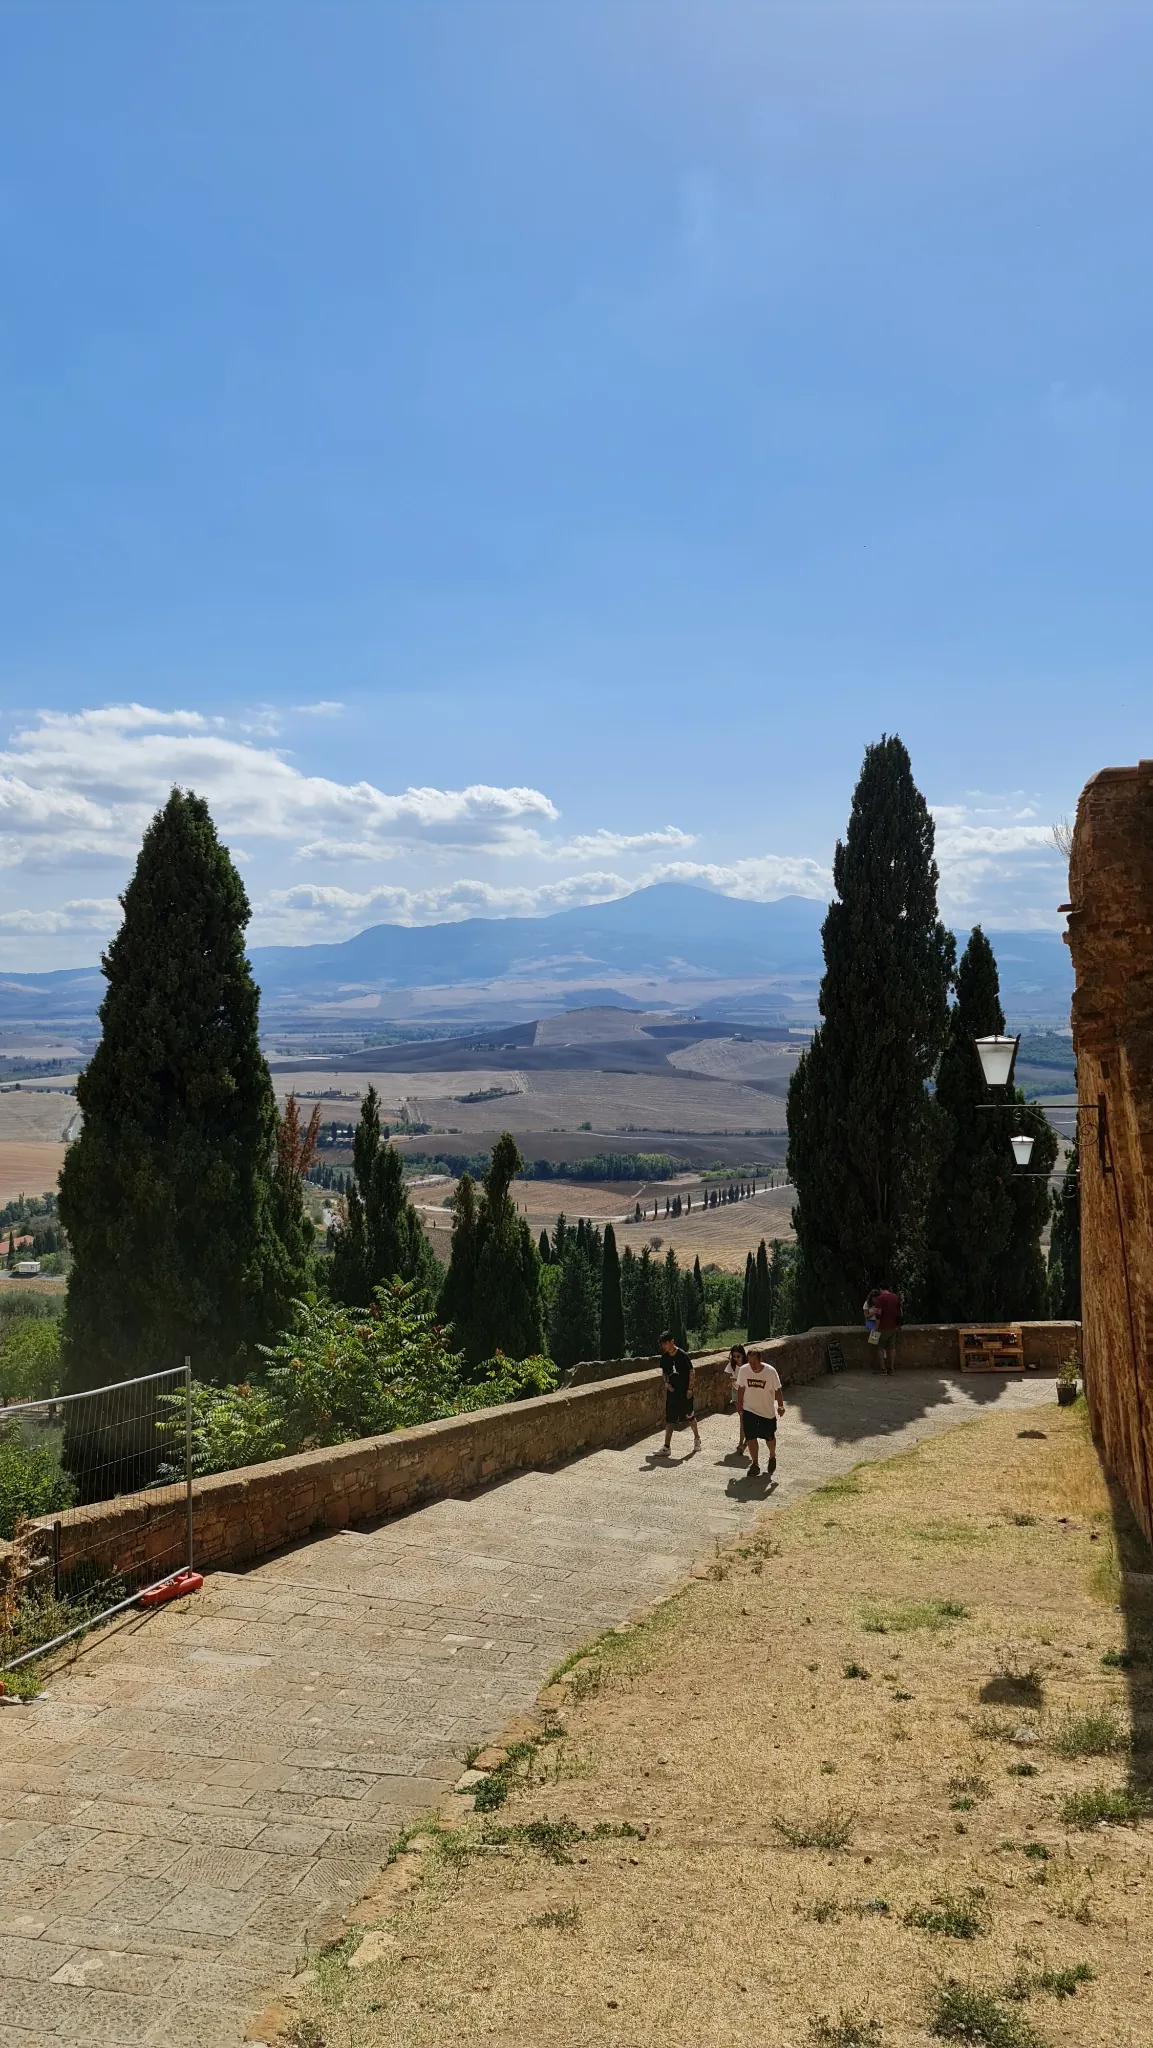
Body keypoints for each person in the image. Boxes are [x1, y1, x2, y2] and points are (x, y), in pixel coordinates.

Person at [734, 1345, 786, 1480]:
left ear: (760, 1360)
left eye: (755, 1362)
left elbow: (777, 1390)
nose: (752, 1366)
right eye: (750, 1362)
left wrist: (780, 1406)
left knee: (769, 1437)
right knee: (751, 1437)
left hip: (766, 1412)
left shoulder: (770, 1372)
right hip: (749, 1409)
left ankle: (772, 1455)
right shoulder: (744, 1370)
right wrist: (739, 1404)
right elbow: (741, 1388)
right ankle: (755, 1464)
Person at [658, 1330, 701, 1454]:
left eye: (666, 1343)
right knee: (670, 1419)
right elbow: (664, 1372)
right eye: (663, 1344)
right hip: (672, 1393)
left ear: (672, 1341)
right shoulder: (664, 1357)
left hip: (684, 1392)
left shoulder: (682, 1355)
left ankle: (697, 1438)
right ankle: (667, 1447)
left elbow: (691, 1372)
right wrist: (666, 1383)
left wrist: (690, 1389)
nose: (664, 1346)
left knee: (689, 1416)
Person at [869, 1284, 901, 1375]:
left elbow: (878, 1315)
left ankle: (883, 1369)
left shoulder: (880, 1299)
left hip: (883, 1327)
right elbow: (900, 1311)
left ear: (880, 1289)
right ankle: (892, 1369)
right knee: (892, 1348)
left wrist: (876, 1328)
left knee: (879, 1348)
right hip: (894, 1327)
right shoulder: (895, 1297)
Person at [726, 1343, 748, 1456]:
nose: (736, 1359)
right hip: (735, 1391)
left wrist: (738, 1380)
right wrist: (732, 1380)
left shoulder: (748, 1365)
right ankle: (746, 1440)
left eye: (738, 1356)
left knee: (743, 1419)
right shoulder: (732, 1365)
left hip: (746, 1393)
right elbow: (728, 1377)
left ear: (743, 1355)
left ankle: (742, 1443)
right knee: (742, 1417)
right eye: (734, 1356)